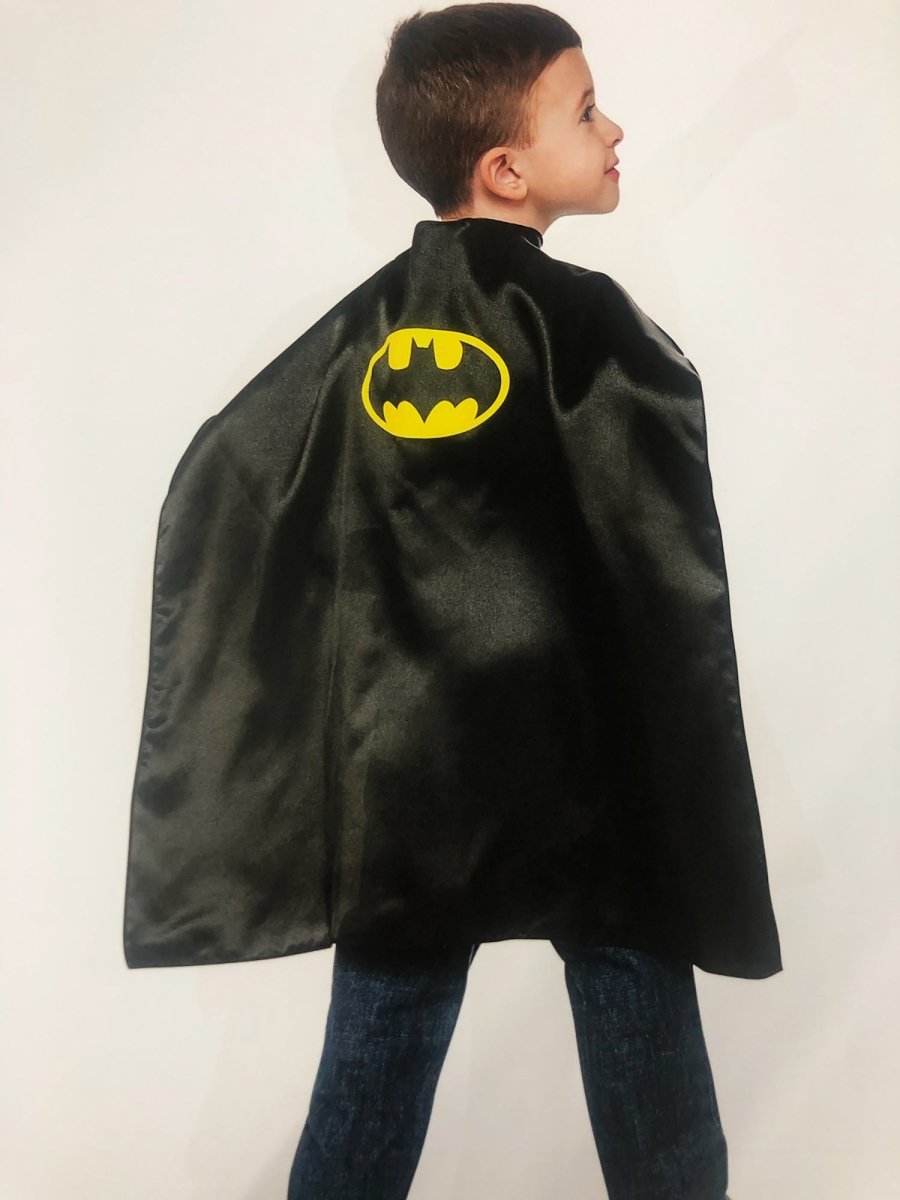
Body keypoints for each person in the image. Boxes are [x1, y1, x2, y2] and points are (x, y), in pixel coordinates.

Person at [121, 4, 779, 1198]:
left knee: (383, 1036)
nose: (615, 129)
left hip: (412, 772)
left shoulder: (356, 338)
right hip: (586, 764)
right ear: (507, 168)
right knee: (640, 1012)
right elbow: (650, 545)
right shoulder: (594, 329)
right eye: (587, 110)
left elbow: (235, 465)